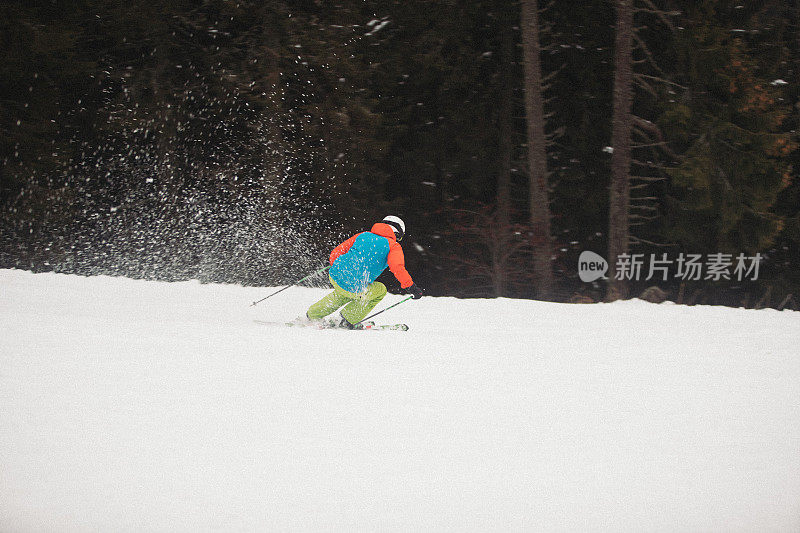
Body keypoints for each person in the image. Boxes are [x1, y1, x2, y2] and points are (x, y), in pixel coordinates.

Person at [304, 215, 423, 329]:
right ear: (397, 233)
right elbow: (397, 267)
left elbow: (336, 253)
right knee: (380, 290)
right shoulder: (393, 245)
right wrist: (410, 286)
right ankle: (347, 319)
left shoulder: (363, 235)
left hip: (335, 275)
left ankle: (313, 314)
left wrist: (339, 268)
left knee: (344, 292)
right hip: (355, 285)